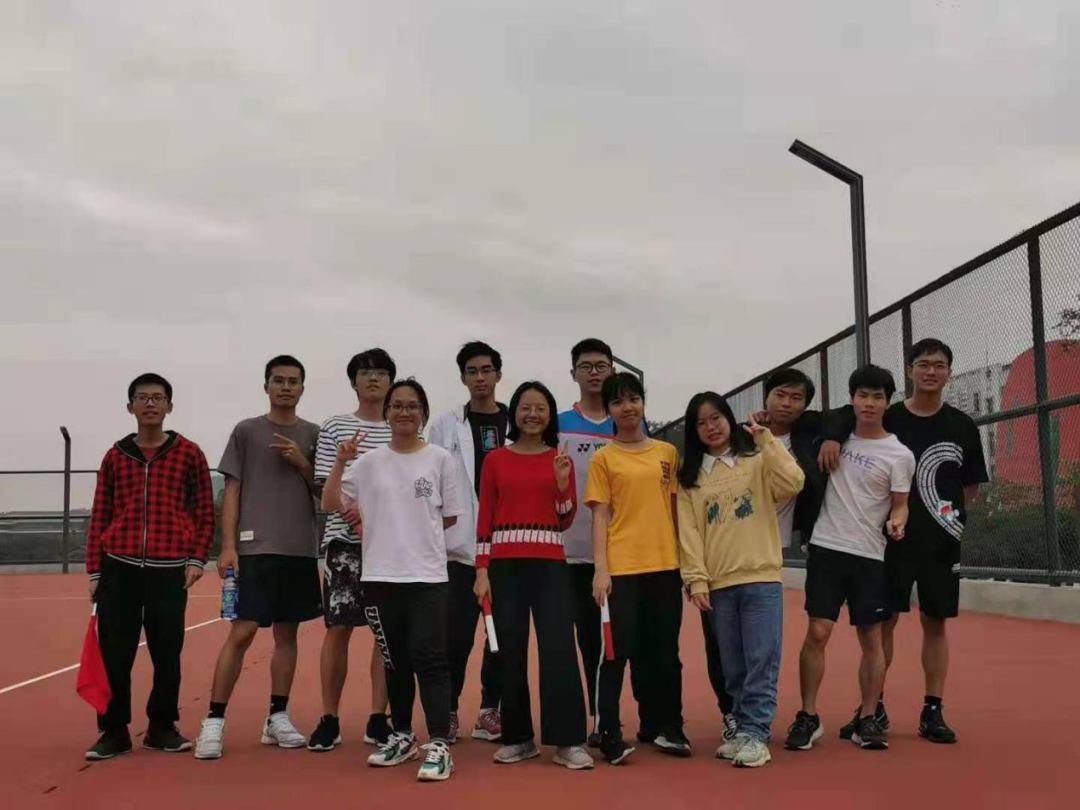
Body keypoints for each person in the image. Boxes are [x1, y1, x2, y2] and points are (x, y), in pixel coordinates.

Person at [819, 339, 987, 744]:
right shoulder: (888, 416)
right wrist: (831, 437)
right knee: (883, 624)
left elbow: (970, 488)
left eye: (939, 365)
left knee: (935, 622)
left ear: (949, 373)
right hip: (888, 542)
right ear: (910, 370)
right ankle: (873, 708)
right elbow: (843, 417)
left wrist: (945, 520)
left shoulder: (962, 425)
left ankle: (933, 709)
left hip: (941, 542)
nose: (931, 371)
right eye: (923, 364)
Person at [323, 379, 463, 782]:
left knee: (430, 658)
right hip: (380, 576)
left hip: (427, 576)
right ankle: (402, 734)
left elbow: (450, 516)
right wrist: (340, 462)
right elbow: (330, 502)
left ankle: (439, 743)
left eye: (412, 405)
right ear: (386, 413)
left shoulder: (439, 459)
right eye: (397, 405)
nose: (404, 412)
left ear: (423, 413)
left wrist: (412, 535)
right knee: (394, 660)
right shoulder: (368, 463)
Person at [194, 356, 323, 760]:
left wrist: (302, 462)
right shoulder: (246, 431)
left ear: (303, 388)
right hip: (255, 548)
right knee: (243, 632)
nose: (286, 387)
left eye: (293, 381)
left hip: (299, 549)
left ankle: (277, 717)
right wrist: (228, 546)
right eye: (278, 380)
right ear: (266, 386)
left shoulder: (314, 434)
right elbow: (231, 491)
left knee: (287, 636)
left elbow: (326, 492)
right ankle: (214, 721)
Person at [84, 373, 214, 761]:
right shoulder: (115, 456)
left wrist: (196, 558)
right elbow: (100, 513)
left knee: (167, 652)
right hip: (118, 568)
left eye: (158, 398)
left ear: (169, 406)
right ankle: (113, 731)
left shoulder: (189, 453)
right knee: (115, 654)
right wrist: (95, 570)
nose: (151, 404)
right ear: (131, 407)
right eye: (143, 398)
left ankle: (161, 726)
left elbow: (204, 510)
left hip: (169, 569)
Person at [785, 365, 914, 752]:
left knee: (872, 638)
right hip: (826, 547)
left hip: (870, 555)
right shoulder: (834, 435)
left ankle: (868, 718)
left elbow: (901, 504)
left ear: (888, 402)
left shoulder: (900, 455)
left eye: (877, 396)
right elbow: (800, 418)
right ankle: (808, 715)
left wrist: (898, 521)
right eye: (862, 395)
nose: (869, 403)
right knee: (817, 633)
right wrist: (830, 436)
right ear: (853, 399)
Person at [677, 393, 804, 768]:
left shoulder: (757, 459)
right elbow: (689, 533)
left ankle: (756, 734)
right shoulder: (691, 478)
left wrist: (768, 440)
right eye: (701, 422)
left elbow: (794, 482)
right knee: (732, 666)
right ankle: (743, 728)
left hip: (760, 578)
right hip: (718, 585)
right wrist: (696, 579)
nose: (711, 427)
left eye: (716, 418)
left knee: (761, 660)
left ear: (729, 419)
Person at [473, 382, 594, 770]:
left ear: (550, 415)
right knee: (508, 651)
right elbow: (485, 516)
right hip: (504, 566)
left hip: (550, 565)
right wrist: (481, 570)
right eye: (525, 407)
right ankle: (518, 738)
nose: (532, 414)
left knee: (559, 649)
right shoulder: (495, 460)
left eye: (540, 408)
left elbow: (565, 518)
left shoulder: (560, 459)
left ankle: (568, 741)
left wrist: (561, 485)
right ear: (514, 413)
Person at [587, 372, 689, 765]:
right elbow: (600, 516)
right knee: (616, 652)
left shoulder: (667, 453)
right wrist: (601, 570)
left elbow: (676, 509)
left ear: (643, 403)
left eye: (633, 399)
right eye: (617, 402)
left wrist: (685, 562)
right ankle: (609, 731)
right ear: (609, 410)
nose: (627, 408)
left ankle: (668, 726)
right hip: (622, 569)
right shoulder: (604, 458)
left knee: (665, 652)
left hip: (665, 565)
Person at [308, 349, 395, 752]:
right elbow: (327, 484)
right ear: (353, 382)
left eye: (380, 373)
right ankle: (329, 718)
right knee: (338, 628)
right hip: (344, 544)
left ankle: (379, 718)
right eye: (365, 373)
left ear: (391, 381)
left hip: (391, 546)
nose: (373, 379)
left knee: (385, 633)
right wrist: (357, 519)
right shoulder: (336, 427)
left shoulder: (402, 426)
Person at [427, 341, 506, 744]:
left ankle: (491, 709)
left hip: (505, 549)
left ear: (498, 375)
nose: (480, 378)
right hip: (457, 551)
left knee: (500, 639)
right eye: (472, 371)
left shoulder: (515, 421)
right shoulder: (445, 424)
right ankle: (449, 710)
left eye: (486, 370)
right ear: (463, 378)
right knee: (454, 639)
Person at [557, 338, 614, 746]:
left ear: (612, 370)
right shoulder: (558, 424)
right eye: (586, 366)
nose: (594, 373)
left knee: (603, 643)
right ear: (573, 373)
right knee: (565, 644)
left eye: (601, 365)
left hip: (612, 557)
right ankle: (568, 722)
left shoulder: (626, 422)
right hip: (564, 556)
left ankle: (602, 720)